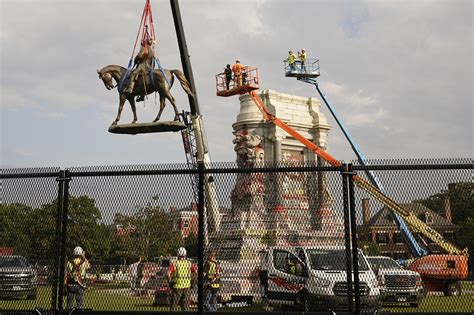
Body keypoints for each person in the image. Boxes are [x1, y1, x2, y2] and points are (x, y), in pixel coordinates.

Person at [168, 247, 197, 311]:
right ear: (185, 254)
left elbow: (168, 273)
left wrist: (170, 282)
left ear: (178, 254)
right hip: (187, 286)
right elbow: (195, 273)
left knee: (173, 306)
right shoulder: (189, 263)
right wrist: (193, 282)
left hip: (177, 286)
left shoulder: (175, 263)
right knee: (185, 306)